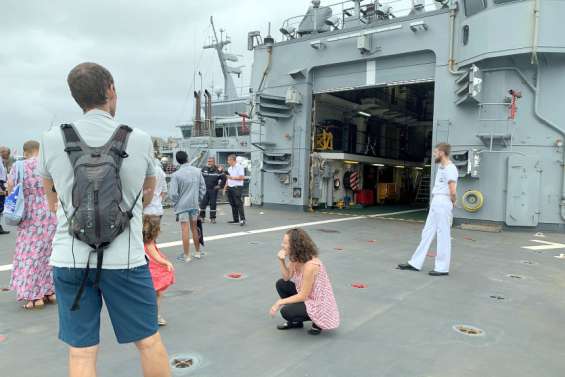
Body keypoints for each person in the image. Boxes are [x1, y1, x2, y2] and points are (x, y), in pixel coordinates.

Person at [39, 62, 170, 377]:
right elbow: (149, 194)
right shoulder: (138, 138)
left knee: (82, 353)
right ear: (110, 88)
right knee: (149, 342)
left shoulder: (51, 138)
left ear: (76, 97)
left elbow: (51, 200)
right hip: (125, 260)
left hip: (70, 259)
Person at [7, 140, 57, 309]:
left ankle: (34, 297)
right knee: (48, 252)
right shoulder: (48, 164)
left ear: (26, 152)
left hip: (29, 214)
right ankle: (49, 291)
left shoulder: (19, 166)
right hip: (50, 212)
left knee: (29, 254)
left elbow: (10, 188)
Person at [398, 143, 458, 276]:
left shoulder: (450, 168)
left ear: (442, 152)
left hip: (443, 201)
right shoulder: (442, 168)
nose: (434, 154)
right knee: (427, 232)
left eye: (436, 152)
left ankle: (442, 268)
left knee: (443, 235)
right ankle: (415, 262)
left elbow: (453, 190)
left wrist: (453, 202)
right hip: (437, 201)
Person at [270, 228, 340, 335]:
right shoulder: (296, 258)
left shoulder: (310, 265)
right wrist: (281, 261)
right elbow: (286, 277)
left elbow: (303, 296)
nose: (282, 245)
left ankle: (317, 322)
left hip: (319, 303)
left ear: (295, 246)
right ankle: (296, 322)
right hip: (308, 295)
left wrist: (279, 302)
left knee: (286, 312)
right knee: (281, 284)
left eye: (285, 243)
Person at [170, 151, 206, 262]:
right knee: (194, 228)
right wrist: (198, 199)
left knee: (185, 230)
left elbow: (173, 194)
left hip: (182, 206)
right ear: (187, 158)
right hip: (194, 205)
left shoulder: (176, 175)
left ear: (177, 160)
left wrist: (177, 203)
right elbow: (203, 188)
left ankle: (186, 255)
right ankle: (197, 252)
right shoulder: (197, 171)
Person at [143, 215, 175, 326]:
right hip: (153, 270)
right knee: (157, 293)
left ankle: (153, 315)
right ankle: (154, 316)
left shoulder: (144, 240)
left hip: (150, 269)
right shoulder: (149, 242)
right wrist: (166, 262)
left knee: (155, 293)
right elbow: (156, 257)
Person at [199, 157, 226, 224]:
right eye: (208, 161)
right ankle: (202, 217)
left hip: (213, 190)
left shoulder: (218, 170)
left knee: (213, 204)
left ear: (214, 162)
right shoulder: (204, 168)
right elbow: (199, 177)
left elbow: (224, 178)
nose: (209, 162)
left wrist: (220, 186)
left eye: (210, 161)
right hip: (204, 189)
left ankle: (213, 218)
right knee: (203, 203)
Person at [144, 156, 168, 222]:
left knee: (143, 231)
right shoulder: (161, 171)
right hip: (158, 209)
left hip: (145, 210)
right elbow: (164, 191)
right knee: (154, 231)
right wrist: (158, 200)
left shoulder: (144, 169)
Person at [224, 154, 246, 226]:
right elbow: (228, 178)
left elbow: (242, 177)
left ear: (232, 160)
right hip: (230, 187)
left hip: (237, 187)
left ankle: (242, 219)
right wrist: (225, 187)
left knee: (239, 203)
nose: (227, 161)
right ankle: (236, 219)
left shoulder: (240, 167)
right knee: (233, 204)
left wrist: (231, 177)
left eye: (228, 160)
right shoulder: (229, 168)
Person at [0, 153, 9, 235]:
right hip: (0, 184)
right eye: (7, 153)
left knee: (1, 207)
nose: (9, 155)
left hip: (2, 183)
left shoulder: (2, 161)